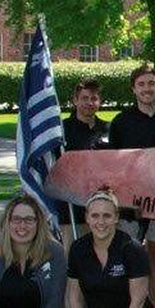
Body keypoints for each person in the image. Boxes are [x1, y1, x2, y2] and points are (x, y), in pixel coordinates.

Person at [107, 63, 155, 304]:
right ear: (134, 90)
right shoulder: (120, 122)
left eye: (151, 83)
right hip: (129, 203)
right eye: (141, 84)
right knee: (128, 255)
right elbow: (112, 164)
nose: (147, 88)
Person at [58, 78, 108, 238]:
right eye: (84, 98)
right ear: (75, 100)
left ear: (99, 101)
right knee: (73, 257)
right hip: (72, 208)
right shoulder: (62, 131)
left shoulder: (109, 129)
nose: (89, 103)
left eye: (94, 98)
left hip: (103, 208)